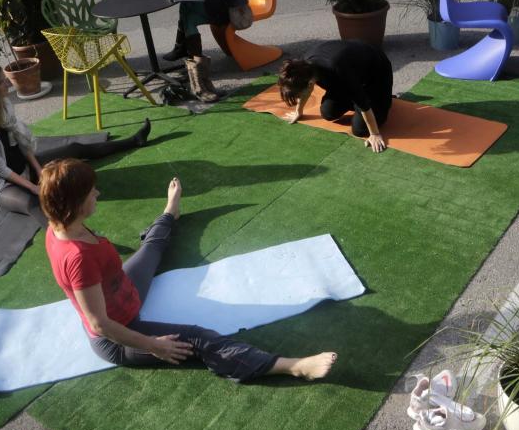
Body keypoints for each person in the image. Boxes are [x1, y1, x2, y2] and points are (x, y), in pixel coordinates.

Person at [40, 158, 338, 383]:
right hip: (120, 335)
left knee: (151, 250)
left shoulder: (60, 228)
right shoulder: (77, 257)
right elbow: (100, 324)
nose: (98, 193)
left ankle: (170, 211)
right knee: (199, 338)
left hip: (123, 291)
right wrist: (153, 345)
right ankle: (293, 366)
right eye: (91, 192)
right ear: (76, 204)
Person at [0, 61, 150, 226]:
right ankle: (76, 242)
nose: (8, 83)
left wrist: (39, 170)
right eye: (1, 82)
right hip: (3, 184)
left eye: (5, 79)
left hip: (24, 166)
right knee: (33, 203)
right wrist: (36, 188)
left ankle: (135, 140)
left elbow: (21, 142)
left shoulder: (4, 103)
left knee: (74, 149)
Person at [277, 40, 393, 153]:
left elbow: (363, 104)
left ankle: (380, 102)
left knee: (360, 130)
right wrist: (299, 111)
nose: (299, 98)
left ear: (309, 83)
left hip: (377, 73)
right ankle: (356, 98)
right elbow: (307, 90)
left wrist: (374, 134)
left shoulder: (337, 69)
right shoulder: (303, 68)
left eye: (299, 95)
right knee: (328, 113)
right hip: (352, 71)